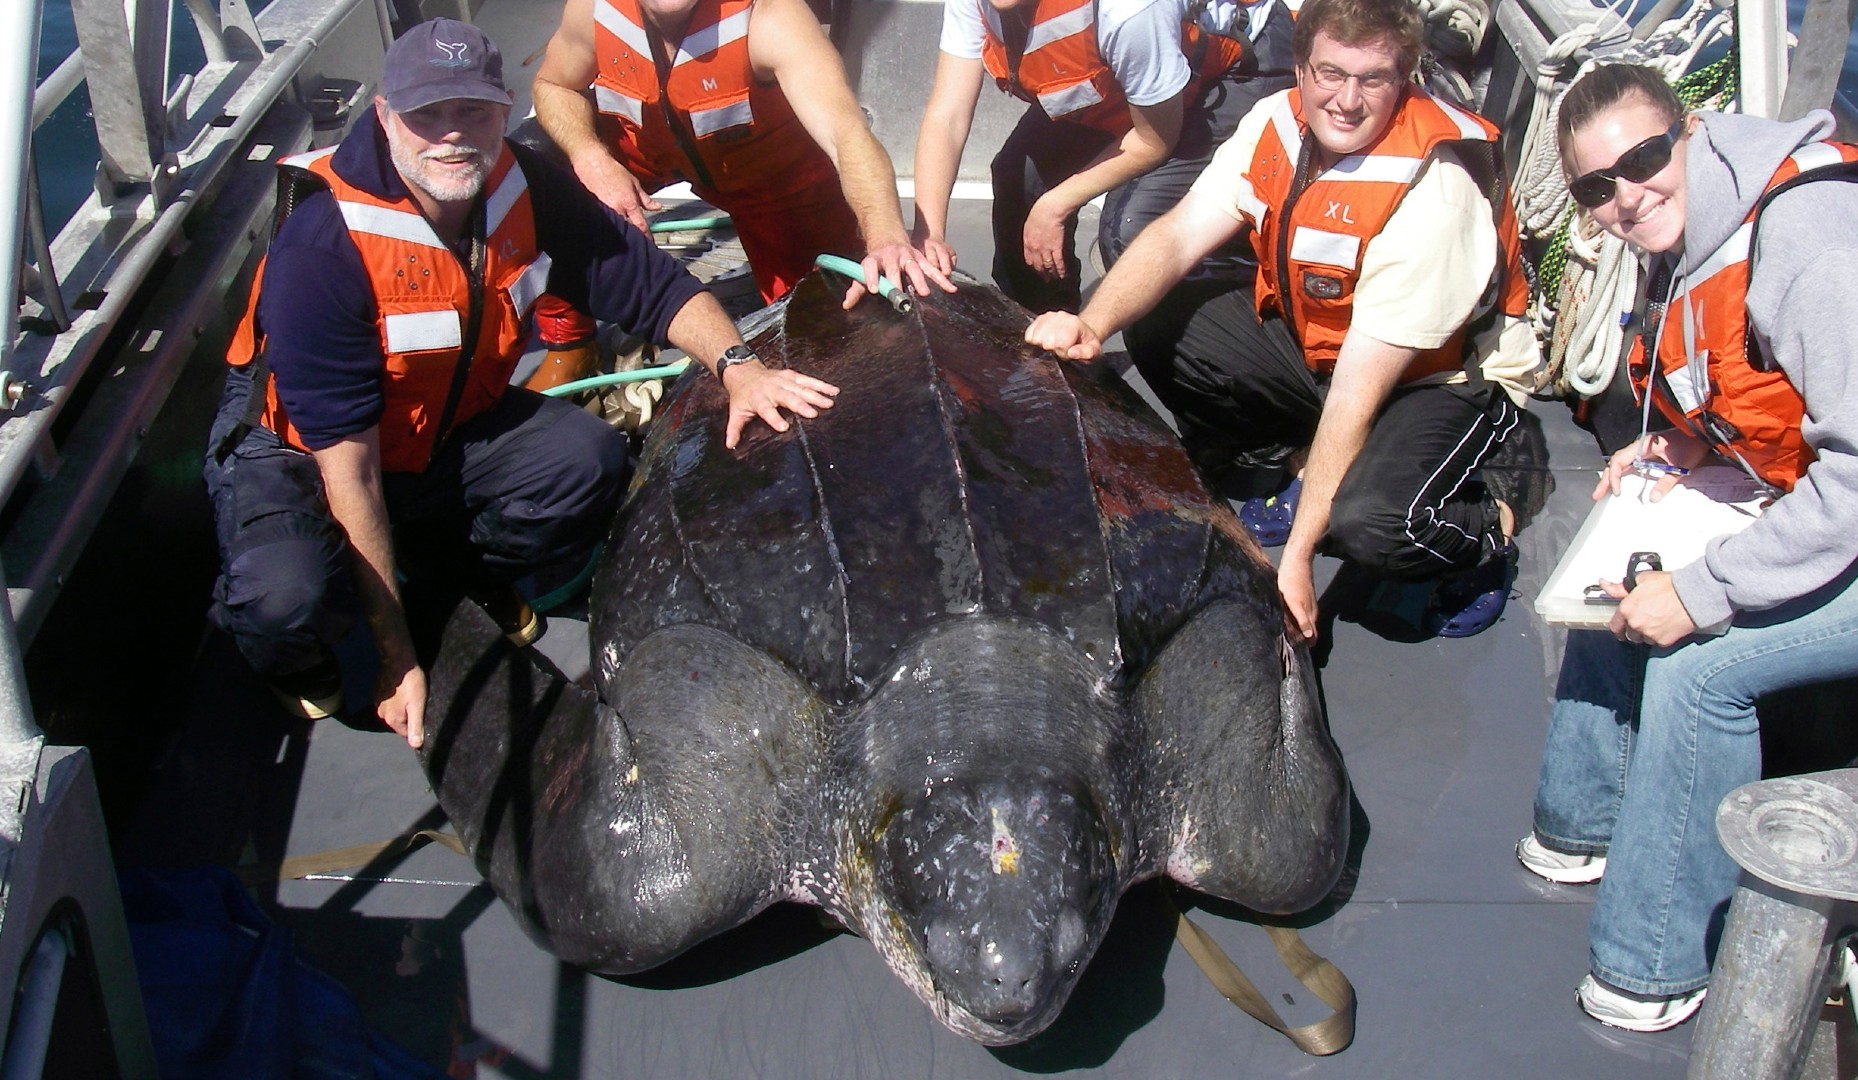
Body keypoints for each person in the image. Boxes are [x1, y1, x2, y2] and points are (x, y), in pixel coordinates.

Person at [205, 20, 837, 748]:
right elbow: (349, 469)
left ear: (503, 110)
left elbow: (650, 285)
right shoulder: (325, 245)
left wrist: (740, 367)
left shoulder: (520, 183)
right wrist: (398, 652)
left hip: (437, 428)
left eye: (472, 112)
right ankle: (294, 636)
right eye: (426, 115)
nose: (452, 137)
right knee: (289, 601)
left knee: (588, 464)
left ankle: (437, 564)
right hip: (301, 455)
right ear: (383, 116)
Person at [1517, 63, 1858, 1032]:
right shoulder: (1691, 225)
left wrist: (1707, 592)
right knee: (1632, 542)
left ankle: (1649, 965)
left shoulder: (1815, 242)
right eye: (1595, 188)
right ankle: (1582, 824)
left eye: (1646, 159)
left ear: (1688, 131)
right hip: (1856, 495)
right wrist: (1682, 447)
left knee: (1706, 658)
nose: (1627, 195)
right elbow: (1762, 384)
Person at [1025, 0, 1538, 641]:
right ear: (1299, 67)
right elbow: (1180, 235)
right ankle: (1305, 461)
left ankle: (1489, 529)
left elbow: (1358, 392)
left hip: (1434, 384)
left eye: (1373, 78)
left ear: (1404, 77)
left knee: (1373, 528)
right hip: (1329, 352)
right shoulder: (1275, 122)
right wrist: (1092, 324)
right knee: (1161, 321)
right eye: (1330, 73)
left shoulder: (1432, 190)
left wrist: (1294, 561)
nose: (1347, 100)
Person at [531, 0, 946, 309]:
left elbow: (847, 134)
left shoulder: (771, 18)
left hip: (777, 188)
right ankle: (569, 336)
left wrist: (887, 237)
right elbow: (554, 86)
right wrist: (591, 159)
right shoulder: (594, 11)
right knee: (538, 168)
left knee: (828, 314)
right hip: (644, 156)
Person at [911, 0, 1281, 314]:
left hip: (1235, 68)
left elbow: (1154, 141)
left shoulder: (1128, 11)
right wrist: (928, 235)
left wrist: (1055, 205)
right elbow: (948, 115)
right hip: (1132, 79)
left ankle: (1193, 348)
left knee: (1132, 228)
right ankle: (1046, 342)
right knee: (1017, 177)